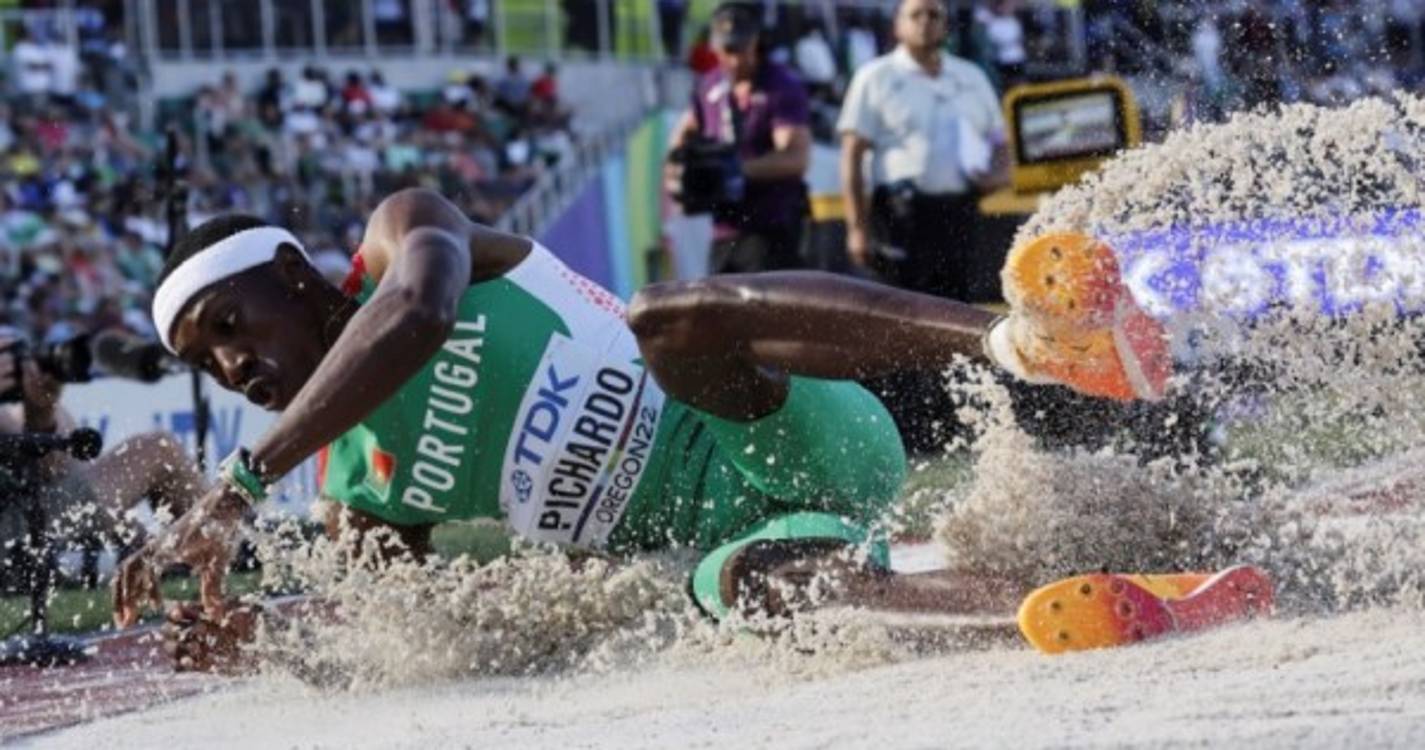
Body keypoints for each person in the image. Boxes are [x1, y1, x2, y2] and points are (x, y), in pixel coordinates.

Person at [110, 188, 1169, 670]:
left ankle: (1021, 342)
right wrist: (275, 645)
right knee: (737, 594)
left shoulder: (403, 237)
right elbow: (422, 638)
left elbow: (417, 316)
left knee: (664, 316)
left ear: (292, 273)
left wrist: (240, 483)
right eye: (204, 363)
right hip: (755, 537)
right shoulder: (358, 492)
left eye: (229, 327)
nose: (230, 367)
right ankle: (1062, 606)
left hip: (785, 430)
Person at [839, 0, 1009, 300]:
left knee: (955, 310)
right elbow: (852, 155)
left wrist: (997, 176)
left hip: (958, 213)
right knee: (902, 311)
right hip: (900, 215)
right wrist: (856, 228)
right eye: (915, 14)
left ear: (946, 25)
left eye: (934, 15)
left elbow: (1000, 143)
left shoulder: (971, 76)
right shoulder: (875, 77)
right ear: (897, 25)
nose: (925, 22)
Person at [0, 332, 204, 571]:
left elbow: (51, 468)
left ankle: (198, 548)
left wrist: (41, 410)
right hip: (15, 527)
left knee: (133, 519)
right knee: (160, 450)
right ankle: (221, 545)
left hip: (27, 514)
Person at [666, 2, 813, 274]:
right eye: (727, 50)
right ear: (714, 47)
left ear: (756, 41)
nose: (734, 60)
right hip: (724, 229)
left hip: (772, 228)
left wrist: (737, 170)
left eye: (741, 49)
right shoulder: (710, 85)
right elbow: (680, 137)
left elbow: (796, 158)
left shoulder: (780, 85)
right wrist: (681, 172)